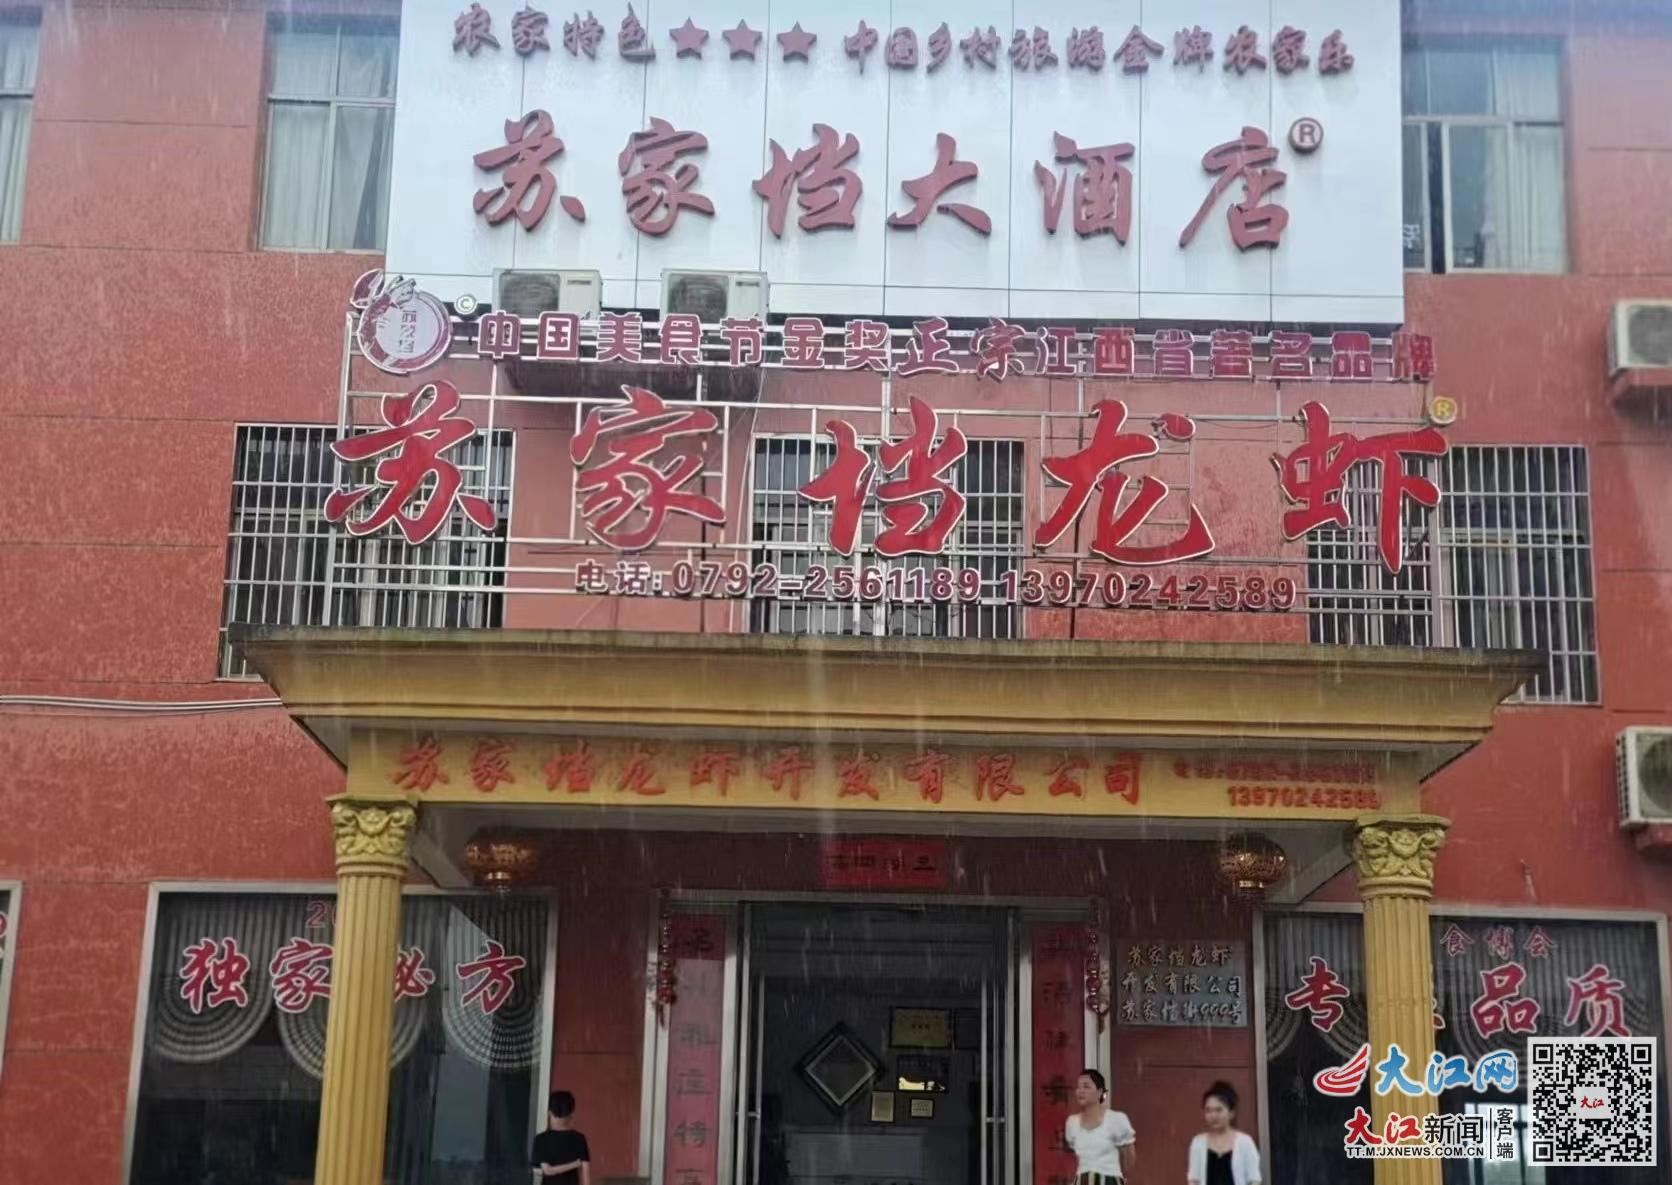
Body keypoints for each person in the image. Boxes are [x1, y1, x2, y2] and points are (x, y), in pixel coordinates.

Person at [1066, 1068, 1136, 1184]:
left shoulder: (1116, 1119)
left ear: (1099, 1092)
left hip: (1110, 1179)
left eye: (1086, 1086)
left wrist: (1120, 1178)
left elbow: (1129, 1156)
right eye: (1078, 1087)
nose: (1081, 1091)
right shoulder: (1072, 1123)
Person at [1186, 1081, 1262, 1185]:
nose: (1213, 1116)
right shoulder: (1198, 1143)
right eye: (1208, 1111)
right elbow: (1194, 1180)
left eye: (1218, 1110)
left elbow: (1254, 1180)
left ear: (1231, 1112)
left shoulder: (1245, 1142)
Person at [531, 1090, 591, 1185]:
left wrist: (575, 1164)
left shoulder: (541, 1139)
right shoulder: (579, 1138)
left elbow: (546, 1170)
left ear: (549, 1113)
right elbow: (586, 1176)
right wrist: (575, 1164)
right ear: (572, 1114)